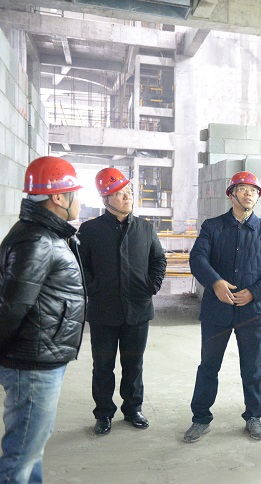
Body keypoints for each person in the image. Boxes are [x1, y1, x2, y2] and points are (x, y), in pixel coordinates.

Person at [0, 156, 85, 482]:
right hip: (32, 364)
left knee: (31, 446)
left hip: (39, 357)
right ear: (59, 197)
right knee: (21, 456)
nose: (80, 200)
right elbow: (11, 308)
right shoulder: (38, 240)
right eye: (76, 193)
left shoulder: (45, 234)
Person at [184, 171, 261, 443]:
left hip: (251, 312)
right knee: (209, 365)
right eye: (242, 189)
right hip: (217, 310)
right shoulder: (212, 227)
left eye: (253, 190)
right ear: (231, 194)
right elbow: (198, 258)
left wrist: (254, 292)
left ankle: (254, 416)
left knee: (252, 367)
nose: (249, 194)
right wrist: (215, 282)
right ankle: (200, 418)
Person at [78, 167, 166, 435]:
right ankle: (104, 413)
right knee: (103, 366)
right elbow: (80, 266)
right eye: (120, 193)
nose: (128, 196)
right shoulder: (90, 230)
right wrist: (94, 288)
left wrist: (151, 286)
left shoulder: (145, 228)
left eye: (128, 191)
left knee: (133, 365)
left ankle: (132, 409)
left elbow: (158, 260)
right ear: (105, 199)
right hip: (104, 311)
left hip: (138, 310)